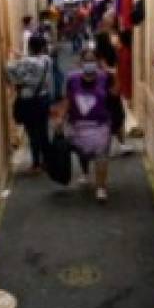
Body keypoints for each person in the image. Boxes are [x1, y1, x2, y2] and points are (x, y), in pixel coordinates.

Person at [63, 48, 114, 203]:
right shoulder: (72, 79)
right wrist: (61, 118)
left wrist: (114, 75)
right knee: (82, 153)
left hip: (100, 125)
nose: (89, 63)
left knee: (101, 156)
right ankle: (85, 172)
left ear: (97, 62)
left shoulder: (104, 77)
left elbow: (116, 94)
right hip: (78, 125)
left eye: (92, 60)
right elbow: (68, 99)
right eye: (87, 60)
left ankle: (101, 188)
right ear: (81, 62)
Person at [5, 36, 54, 173]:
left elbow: (10, 70)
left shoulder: (26, 62)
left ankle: (36, 164)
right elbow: (32, 62)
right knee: (43, 131)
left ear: (30, 46)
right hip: (44, 99)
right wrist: (20, 56)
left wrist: (10, 57)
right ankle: (47, 161)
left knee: (32, 133)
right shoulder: (47, 60)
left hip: (29, 101)